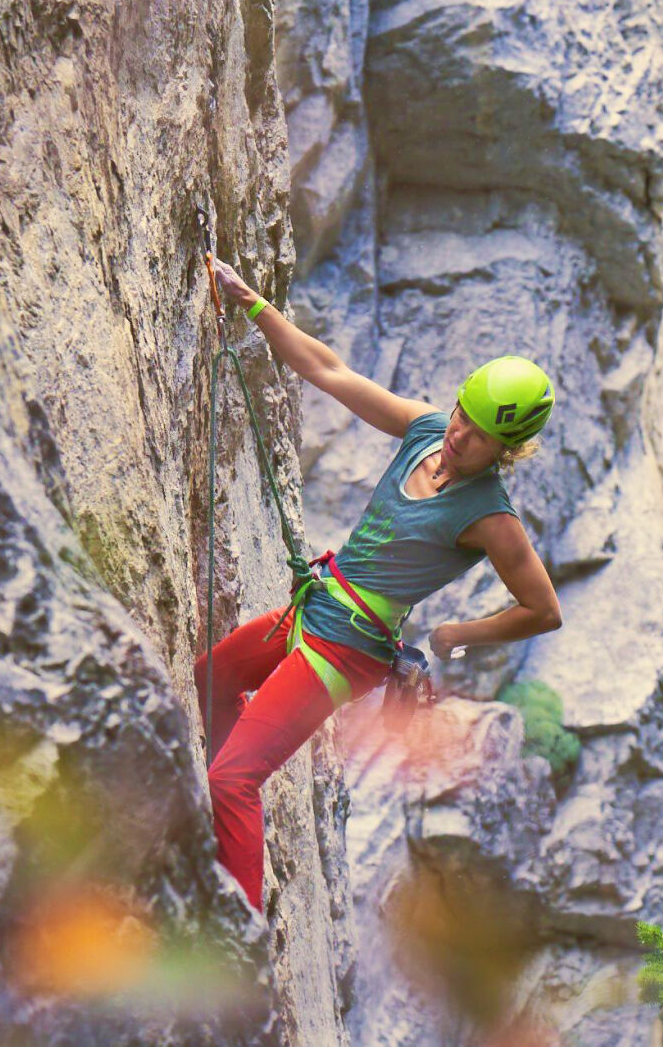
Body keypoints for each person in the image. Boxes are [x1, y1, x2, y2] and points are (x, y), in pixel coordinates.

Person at [196, 259, 563, 911]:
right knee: (212, 680)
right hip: (312, 610)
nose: (459, 437)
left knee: (234, 780)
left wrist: (457, 634)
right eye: (460, 417)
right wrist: (251, 303)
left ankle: (237, 935)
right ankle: (211, 833)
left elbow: (542, 609)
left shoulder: (491, 519)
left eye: (479, 438)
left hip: (347, 654)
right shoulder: (424, 430)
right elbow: (327, 371)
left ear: (506, 451)